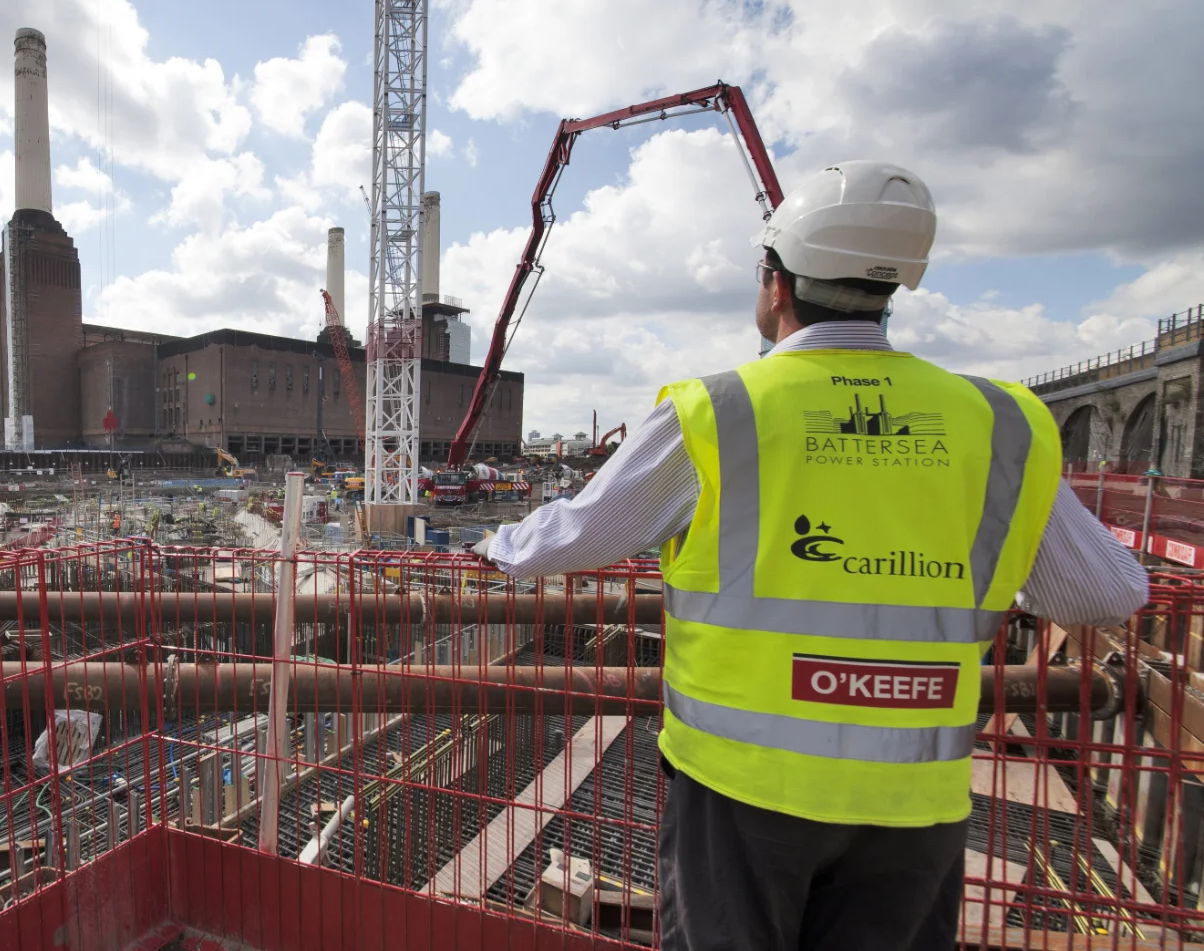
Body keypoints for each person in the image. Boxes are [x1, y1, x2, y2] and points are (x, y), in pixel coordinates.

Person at [471, 162, 1148, 951]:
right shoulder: (999, 423)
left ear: (776, 283)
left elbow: (585, 530)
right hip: (912, 798)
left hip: (741, 789)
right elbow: (1106, 593)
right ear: (894, 290)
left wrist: (498, 547)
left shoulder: (721, 411)